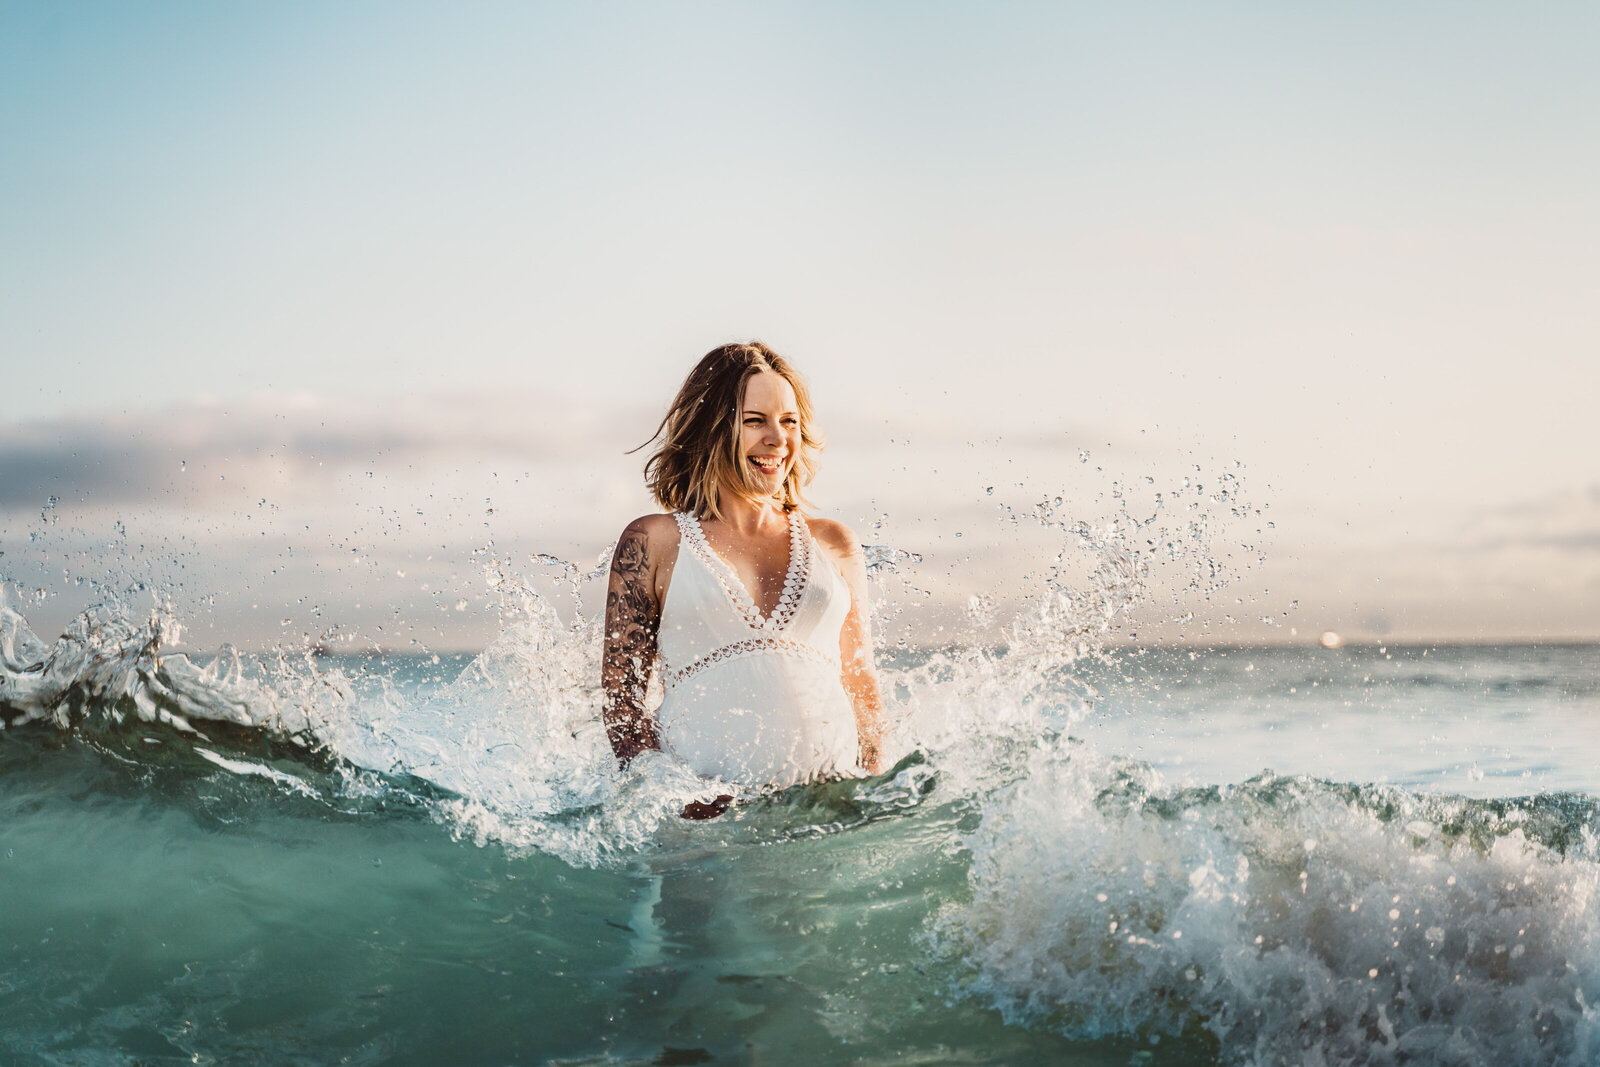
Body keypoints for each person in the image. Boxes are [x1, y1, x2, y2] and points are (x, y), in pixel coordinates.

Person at [601, 342, 885, 815]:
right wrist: (675, 797)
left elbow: (863, 686)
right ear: (713, 428)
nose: (778, 438)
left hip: (829, 819)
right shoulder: (654, 542)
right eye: (755, 420)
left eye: (789, 421)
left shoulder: (833, 542)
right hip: (706, 835)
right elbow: (621, 699)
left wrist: (871, 790)